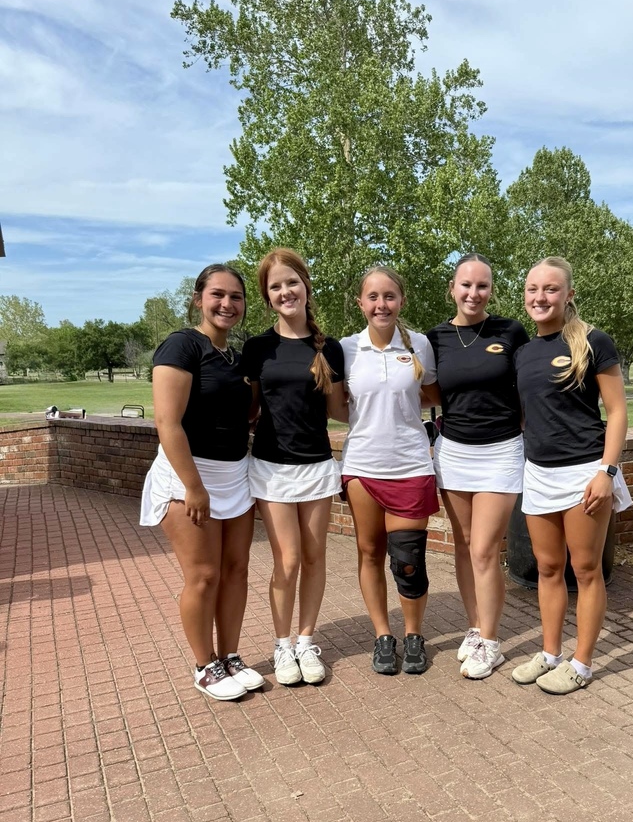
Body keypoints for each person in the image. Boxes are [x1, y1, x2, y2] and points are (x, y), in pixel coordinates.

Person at [140, 264, 264, 701]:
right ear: (198, 299)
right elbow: (167, 422)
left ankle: (230, 656)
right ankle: (204, 664)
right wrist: (193, 487)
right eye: (217, 295)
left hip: (235, 475)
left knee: (235, 571)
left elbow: (245, 415)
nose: (227, 304)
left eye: (236, 296)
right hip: (189, 475)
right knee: (204, 576)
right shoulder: (182, 345)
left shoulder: (238, 354)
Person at [511, 256, 632, 695]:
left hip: (585, 471)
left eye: (550, 289)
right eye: (532, 289)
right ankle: (549, 655)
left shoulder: (594, 341)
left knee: (585, 570)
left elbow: (617, 411)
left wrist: (606, 471)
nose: (540, 297)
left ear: (569, 295)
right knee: (547, 567)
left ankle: (581, 664)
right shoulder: (523, 352)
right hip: (538, 473)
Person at [242, 249, 346, 687]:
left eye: (292, 282)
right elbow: (248, 412)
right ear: (268, 297)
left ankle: (306, 640)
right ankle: (282, 643)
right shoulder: (257, 348)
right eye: (275, 286)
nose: (285, 291)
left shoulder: (331, 348)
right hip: (270, 467)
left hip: (317, 466)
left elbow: (342, 411)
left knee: (315, 556)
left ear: (305, 287)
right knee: (286, 560)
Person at [427, 254, 529, 679]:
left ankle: (491, 641)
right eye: (466, 285)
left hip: (502, 451)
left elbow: (529, 389)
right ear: (452, 288)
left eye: (482, 285)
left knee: (486, 549)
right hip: (453, 452)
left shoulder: (510, 331)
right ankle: (474, 628)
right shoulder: (435, 338)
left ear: (491, 289)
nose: (474, 293)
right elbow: (426, 392)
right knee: (465, 546)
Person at [340, 266, 440, 676]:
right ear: (361, 303)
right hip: (362, 465)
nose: (381, 304)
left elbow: (432, 391)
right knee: (369, 552)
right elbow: (334, 404)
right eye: (373, 297)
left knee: (408, 561)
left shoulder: (420, 345)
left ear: (402, 300)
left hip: (411, 463)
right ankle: (383, 635)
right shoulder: (345, 348)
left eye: (390, 296)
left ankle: (413, 634)